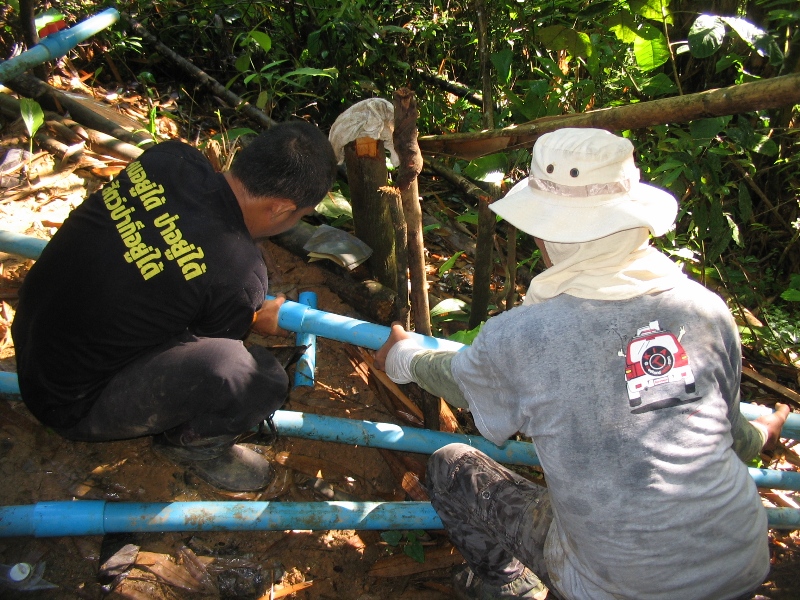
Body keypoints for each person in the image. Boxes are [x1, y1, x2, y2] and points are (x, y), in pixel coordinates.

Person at [375, 128, 790, 600]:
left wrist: (403, 356)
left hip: (617, 585)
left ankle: (509, 586)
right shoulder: (705, 310)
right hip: (739, 560)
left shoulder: (525, 334)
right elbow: (732, 435)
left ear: (546, 230)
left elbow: (459, 382)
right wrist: (765, 433)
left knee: (451, 468)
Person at [11, 121, 338, 492]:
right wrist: (251, 317)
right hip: (72, 403)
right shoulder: (239, 273)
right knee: (255, 378)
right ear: (279, 208)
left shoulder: (171, 159)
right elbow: (205, 353)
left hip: (32, 334)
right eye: (300, 215)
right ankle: (189, 444)